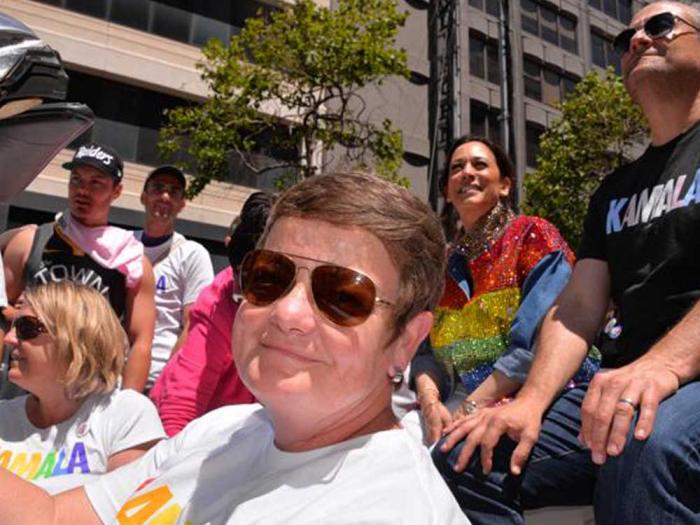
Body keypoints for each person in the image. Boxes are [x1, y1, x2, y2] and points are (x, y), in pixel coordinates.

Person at [0, 171, 469, 524]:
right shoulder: (220, 432)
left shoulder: (393, 510)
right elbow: (55, 517)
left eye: (342, 296)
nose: (288, 313)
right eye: (269, 276)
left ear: (406, 341)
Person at [433, 3, 700, 524]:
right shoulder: (614, 191)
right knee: (465, 456)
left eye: (660, 25)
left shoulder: (532, 236)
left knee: (644, 444)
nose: (639, 39)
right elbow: (576, 309)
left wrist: (662, 366)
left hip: (669, 389)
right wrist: (529, 403)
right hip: (625, 389)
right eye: (627, 36)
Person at [409, 136, 598, 444]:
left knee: (444, 458)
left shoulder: (534, 236)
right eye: (457, 167)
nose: (467, 172)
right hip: (457, 399)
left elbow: (535, 345)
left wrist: (470, 407)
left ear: (505, 186)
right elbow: (424, 351)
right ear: (446, 190)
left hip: (540, 397)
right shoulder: (442, 263)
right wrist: (430, 403)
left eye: (479, 164)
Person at [2, 143, 156, 392]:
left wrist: (129, 407)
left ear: (117, 191)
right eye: (76, 180)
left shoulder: (131, 261)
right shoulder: (30, 242)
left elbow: (141, 340)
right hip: (24, 393)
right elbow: (2, 310)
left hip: (90, 394)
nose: (82, 190)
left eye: (96, 182)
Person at [0, 281, 165, 494]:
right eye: (13, 327)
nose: (9, 339)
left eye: (26, 328)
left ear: (75, 338)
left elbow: (125, 511)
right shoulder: (4, 416)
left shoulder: (125, 415)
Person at [150, 191, 274, 436]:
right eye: (239, 283)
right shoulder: (220, 297)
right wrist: (165, 461)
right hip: (199, 430)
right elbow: (183, 398)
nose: (242, 299)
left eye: (256, 289)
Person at [133, 165, 213, 390]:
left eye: (174, 192)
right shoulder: (121, 245)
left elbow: (194, 324)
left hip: (156, 378)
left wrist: (167, 380)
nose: (165, 196)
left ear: (182, 204)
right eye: (158, 188)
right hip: (109, 375)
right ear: (143, 197)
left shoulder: (192, 254)